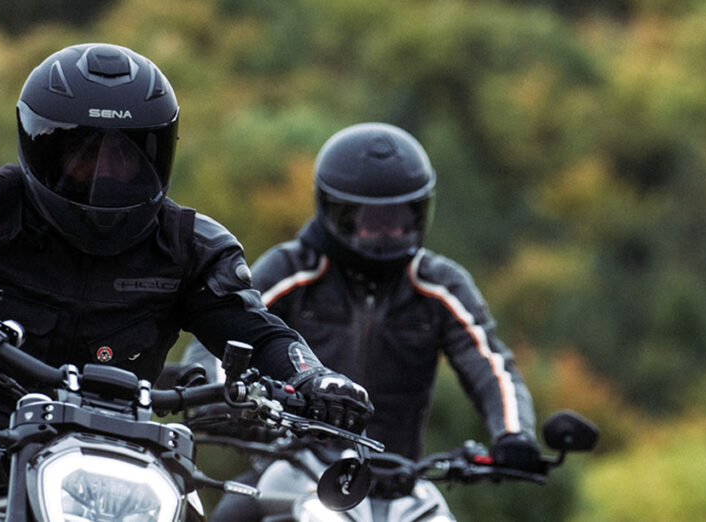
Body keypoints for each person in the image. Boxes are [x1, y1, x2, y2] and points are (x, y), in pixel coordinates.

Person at [0, 43, 372, 521]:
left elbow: (261, 331)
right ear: (41, 146)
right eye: (84, 156)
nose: (105, 174)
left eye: (127, 158)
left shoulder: (191, 245)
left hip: (132, 457)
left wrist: (315, 379)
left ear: (159, 154)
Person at [184, 122, 541, 520]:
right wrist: (213, 391)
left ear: (422, 213)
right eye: (369, 220)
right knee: (226, 517)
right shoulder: (292, 269)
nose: (385, 232)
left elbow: (489, 362)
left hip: (404, 480)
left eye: (400, 219)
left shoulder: (440, 284)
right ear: (334, 211)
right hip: (299, 464)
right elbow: (224, 327)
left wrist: (514, 434)